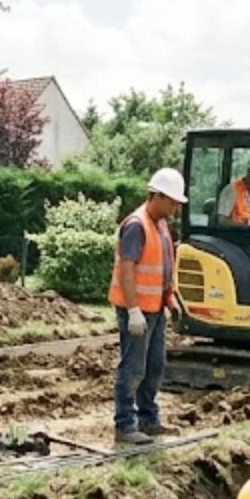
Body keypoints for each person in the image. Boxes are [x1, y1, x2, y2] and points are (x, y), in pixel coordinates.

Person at [108, 167, 186, 446]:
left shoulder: (161, 225)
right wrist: (132, 310)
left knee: (154, 367)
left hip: (154, 309)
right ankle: (125, 425)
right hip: (137, 311)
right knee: (133, 368)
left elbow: (163, 266)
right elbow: (126, 269)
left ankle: (148, 420)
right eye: (172, 202)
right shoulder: (136, 225)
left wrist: (170, 297)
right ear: (157, 196)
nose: (175, 208)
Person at [217, 160, 250, 226]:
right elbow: (222, 221)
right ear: (249, 172)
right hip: (236, 231)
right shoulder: (232, 190)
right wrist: (244, 227)